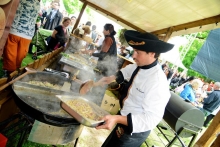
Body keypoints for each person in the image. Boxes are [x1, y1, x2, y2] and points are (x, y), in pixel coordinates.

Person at [95, 30, 174, 147]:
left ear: (152, 53)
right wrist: (108, 79)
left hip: (134, 130)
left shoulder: (157, 82)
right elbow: (126, 71)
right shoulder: (140, 66)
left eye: (138, 52)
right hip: (122, 118)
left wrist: (117, 118)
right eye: (134, 51)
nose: (133, 55)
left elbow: (151, 119)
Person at [2, 0, 41, 77]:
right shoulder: (37, 4)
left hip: (14, 31)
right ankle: (14, 72)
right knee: (20, 55)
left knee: (10, 54)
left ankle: (9, 73)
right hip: (27, 35)